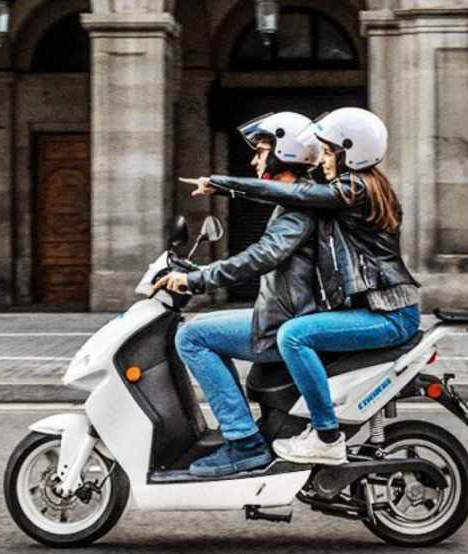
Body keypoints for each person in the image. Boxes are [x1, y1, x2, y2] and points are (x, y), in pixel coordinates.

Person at [184, 107, 421, 466]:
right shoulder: (358, 188)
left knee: (294, 335)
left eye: (329, 152)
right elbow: (290, 196)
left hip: (391, 313)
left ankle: (327, 436)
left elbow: (287, 212)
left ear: (349, 151)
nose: (323, 159)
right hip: (378, 308)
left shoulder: (354, 188)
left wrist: (222, 184)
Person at [152, 111, 323, 477]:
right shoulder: (296, 201)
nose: (254, 158)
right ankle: (240, 433)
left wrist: (198, 282)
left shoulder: (297, 210)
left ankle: (244, 443)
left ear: (285, 153)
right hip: (284, 313)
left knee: (193, 337)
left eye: (261, 150)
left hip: (287, 322)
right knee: (202, 331)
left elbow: (261, 257)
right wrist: (196, 271)